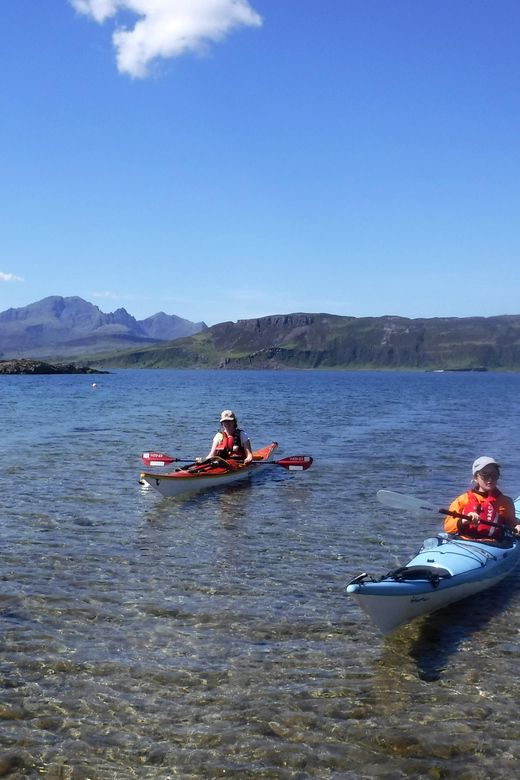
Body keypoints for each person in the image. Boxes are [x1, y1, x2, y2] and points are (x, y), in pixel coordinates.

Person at [444, 456, 520, 540]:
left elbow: (511, 522)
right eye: (485, 475)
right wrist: (463, 521)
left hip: (494, 545)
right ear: (476, 478)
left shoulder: (505, 502)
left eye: (494, 475)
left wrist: (516, 527)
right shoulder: (462, 500)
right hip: (465, 541)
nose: (490, 479)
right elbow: (448, 527)